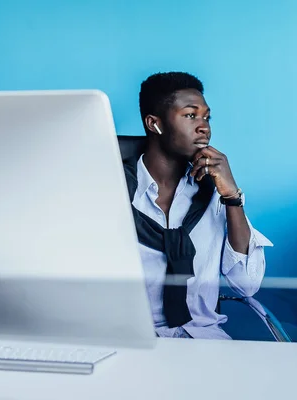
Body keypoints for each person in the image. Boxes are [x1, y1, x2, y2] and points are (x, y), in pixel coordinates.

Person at [123, 71, 272, 339]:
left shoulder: (213, 190)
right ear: (154, 124)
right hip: (133, 341)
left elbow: (247, 285)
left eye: (206, 116)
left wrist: (231, 197)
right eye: (190, 115)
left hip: (204, 340)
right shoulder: (115, 191)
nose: (204, 126)